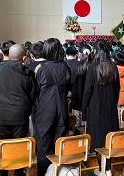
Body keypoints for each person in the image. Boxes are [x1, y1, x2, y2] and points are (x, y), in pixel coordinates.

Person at [0, 44, 37, 176]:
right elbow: (32, 94)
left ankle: (3, 171)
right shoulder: (28, 73)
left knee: (4, 143)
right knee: (19, 144)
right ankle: (18, 172)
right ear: (24, 58)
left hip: (2, 112)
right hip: (20, 113)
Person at [82, 39, 120, 176]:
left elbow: (87, 91)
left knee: (98, 139)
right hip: (110, 107)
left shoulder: (92, 67)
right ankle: (108, 169)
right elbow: (117, 88)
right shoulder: (113, 66)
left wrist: (85, 110)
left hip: (95, 108)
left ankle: (102, 169)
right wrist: (113, 102)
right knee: (109, 138)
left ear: (95, 51)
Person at [34, 38, 72, 176]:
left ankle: (44, 173)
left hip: (45, 109)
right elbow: (69, 87)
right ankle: (58, 172)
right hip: (62, 108)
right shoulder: (66, 67)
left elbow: (36, 91)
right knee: (60, 143)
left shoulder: (40, 68)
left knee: (43, 143)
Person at [71, 45, 93, 128]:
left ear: (79, 54)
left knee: (76, 127)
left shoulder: (74, 67)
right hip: (90, 100)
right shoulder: (94, 67)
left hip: (77, 98)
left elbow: (71, 83)